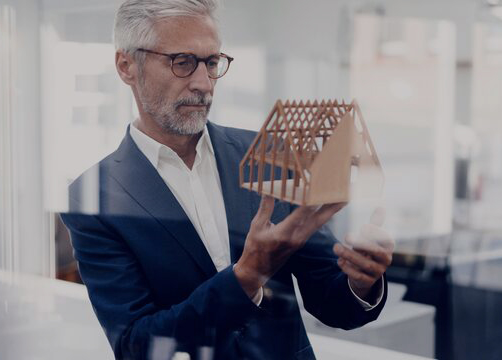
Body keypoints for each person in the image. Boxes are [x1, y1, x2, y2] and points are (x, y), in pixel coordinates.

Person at [60, 1, 394, 359]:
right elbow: (137, 346)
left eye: (213, 63)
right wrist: (247, 276)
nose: (204, 84)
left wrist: (360, 282)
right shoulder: (92, 197)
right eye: (182, 62)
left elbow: (330, 299)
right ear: (126, 66)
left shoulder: (266, 154)